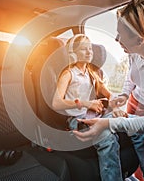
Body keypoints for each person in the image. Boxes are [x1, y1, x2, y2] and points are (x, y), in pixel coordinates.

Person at [73, 0, 144, 181]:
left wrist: (107, 124)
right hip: (135, 103)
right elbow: (132, 76)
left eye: (120, 34)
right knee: (138, 154)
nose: (116, 39)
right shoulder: (134, 49)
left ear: (141, 39)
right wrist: (124, 95)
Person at [51, 34, 123, 181]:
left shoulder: (92, 74)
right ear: (74, 54)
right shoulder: (68, 74)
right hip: (77, 120)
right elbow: (56, 103)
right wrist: (86, 103)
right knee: (107, 139)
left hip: (95, 116)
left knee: (133, 123)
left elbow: (110, 95)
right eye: (84, 49)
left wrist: (115, 106)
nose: (89, 52)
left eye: (90, 48)